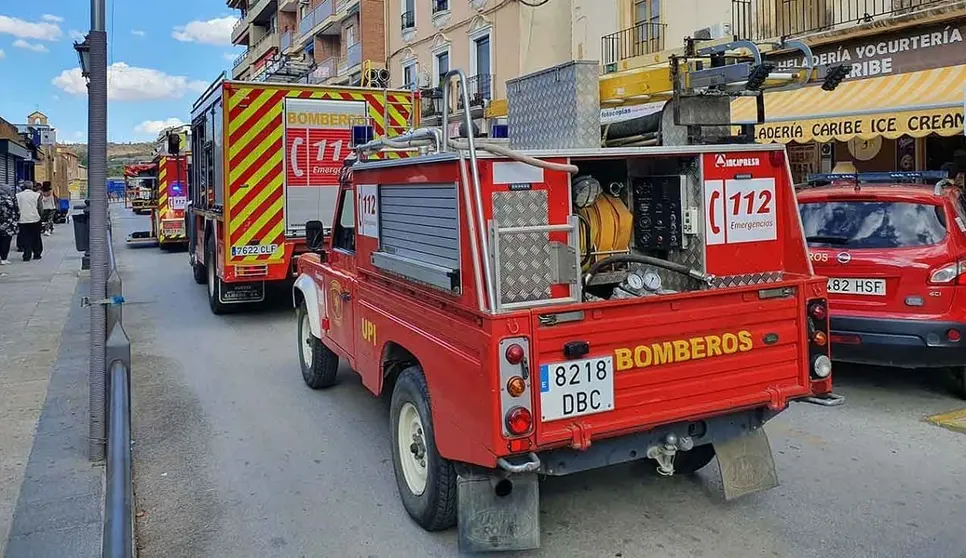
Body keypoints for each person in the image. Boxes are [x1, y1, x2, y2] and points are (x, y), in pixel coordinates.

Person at [16, 181, 44, 261]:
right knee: (36, 237)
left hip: (22, 219)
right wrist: (40, 216)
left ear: (23, 187)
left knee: (25, 237)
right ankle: (37, 253)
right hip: (35, 219)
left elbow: (16, 207)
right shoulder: (37, 195)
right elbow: (40, 208)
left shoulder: (18, 196)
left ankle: (26, 254)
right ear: (32, 187)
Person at [0, 182, 19, 265]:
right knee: (6, 241)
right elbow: (15, 210)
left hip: (3, 223)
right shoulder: (9, 200)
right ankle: (4, 258)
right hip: (8, 224)